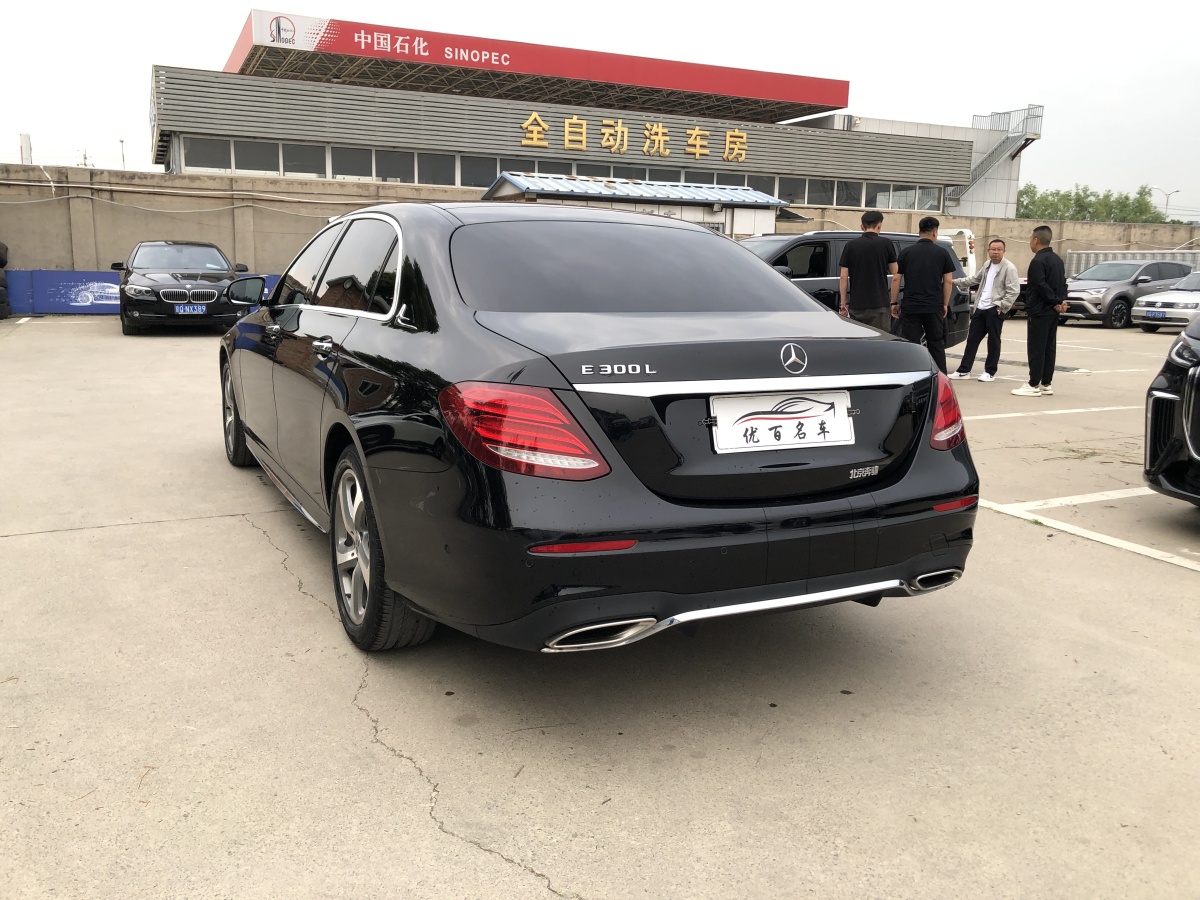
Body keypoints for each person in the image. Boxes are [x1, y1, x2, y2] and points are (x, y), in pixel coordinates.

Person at [947, 239, 1020, 382]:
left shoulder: (1009, 268)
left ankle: (989, 372)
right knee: (972, 340)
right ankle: (964, 371)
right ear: (988, 250)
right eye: (993, 249)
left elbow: (1014, 291)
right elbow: (974, 279)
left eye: (999, 249)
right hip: (981, 308)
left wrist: (1002, 305)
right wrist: (954, 282)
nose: (995, 252)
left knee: (993, 342)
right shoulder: (987, 265)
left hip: (995, 309)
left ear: (1004, 251)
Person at [890, 215, 955, 374]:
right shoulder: (942, 253)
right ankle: (940, 377)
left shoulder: (906, 252)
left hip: (911, 306)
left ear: (919, 231)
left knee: (911, 344)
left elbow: (896, 278)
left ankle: (912, 376)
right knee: (936, 343)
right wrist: (945, 303)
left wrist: (894, 303)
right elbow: (948, 281)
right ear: (935, 232)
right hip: (934, 306)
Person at [1012, 225, 1068, 397]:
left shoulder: (1038, 261)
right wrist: (1060, 302)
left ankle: (1033, 383)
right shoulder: (1057, 260)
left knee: (1036, 347)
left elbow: (1040, 285)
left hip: (1039, 310)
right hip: (1052, 311)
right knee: (1049, 347)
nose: (1030, 241)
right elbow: (1063, 283)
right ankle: (1046, 382)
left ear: (1036, 240)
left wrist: (1055, 301)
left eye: (1030, 238)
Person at [838, 210, 898, 331]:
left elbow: (843, 277)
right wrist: (893, 302)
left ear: (862, 227)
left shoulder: (850, 245)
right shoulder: (886, 244)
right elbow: (896, 274)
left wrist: (843, 304)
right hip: (879, 305)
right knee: (880, 339)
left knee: (859, 340)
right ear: (879, 225)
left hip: (857, 306)